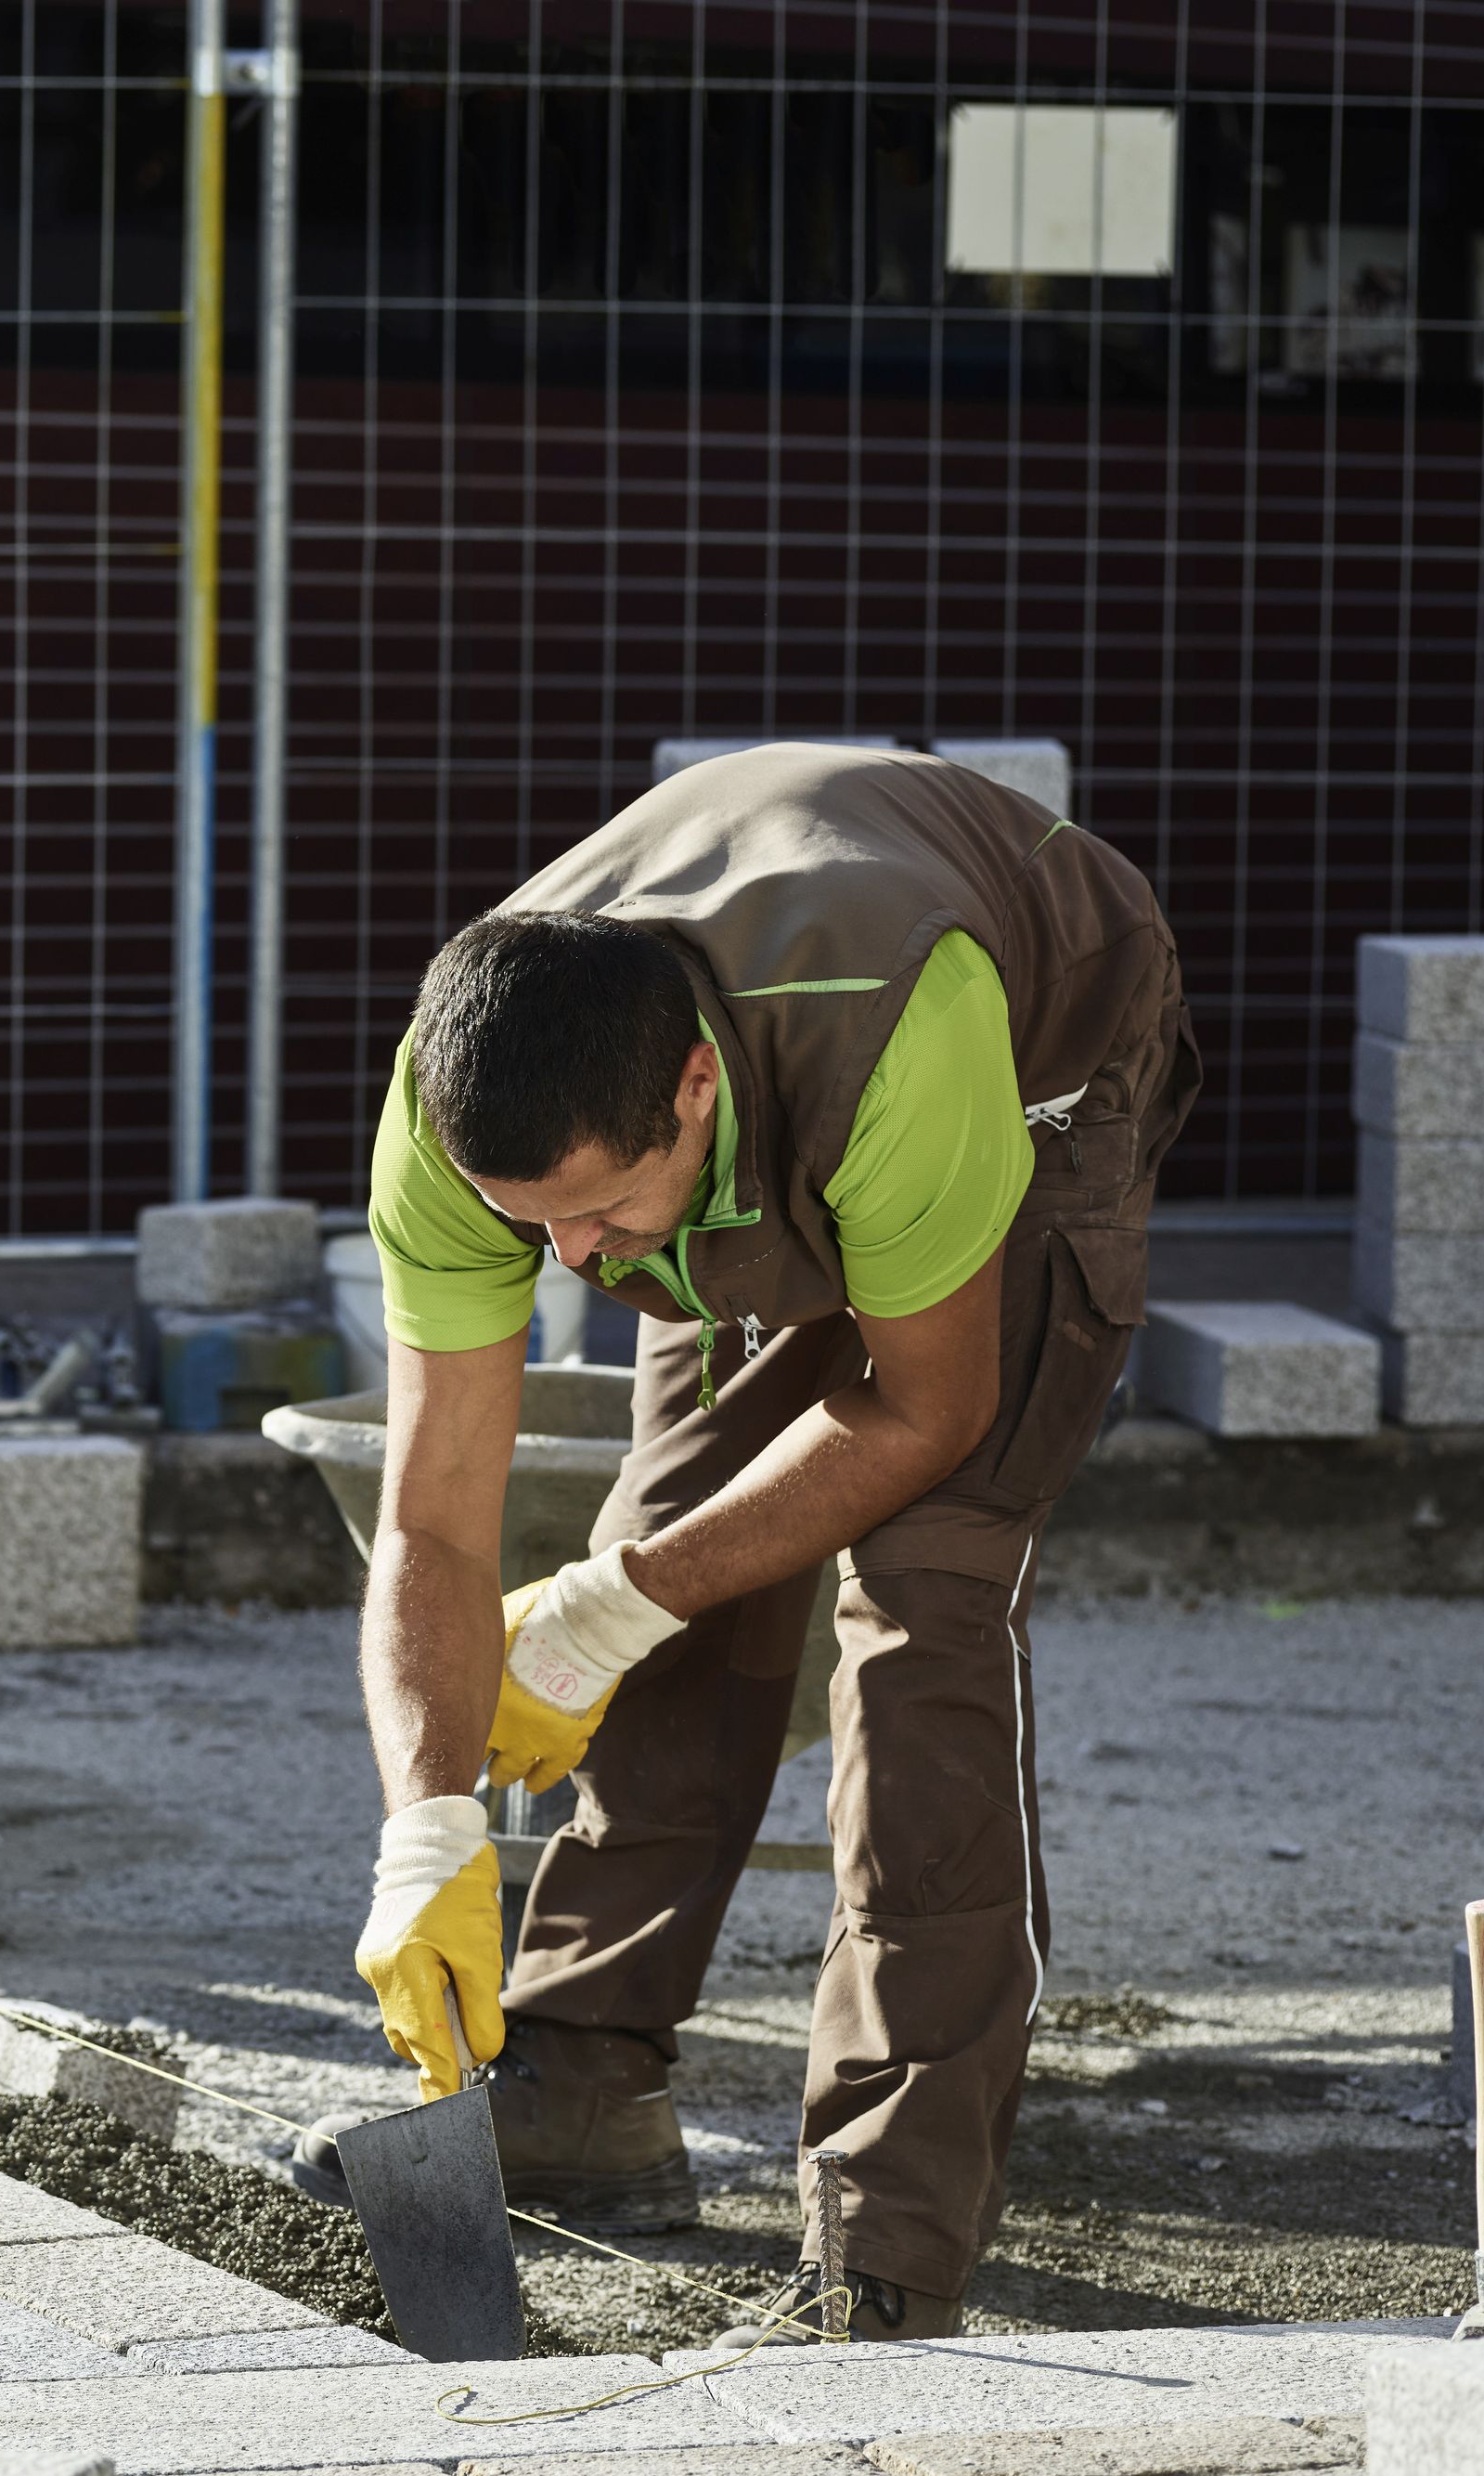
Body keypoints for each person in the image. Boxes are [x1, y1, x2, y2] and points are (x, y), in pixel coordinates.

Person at [334, 742, 1196, 2341]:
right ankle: (583, 2082)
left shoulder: (902, 1039)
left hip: (1030, 1054)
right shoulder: (461, 1128)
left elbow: (922, 1410)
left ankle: (889, 2227)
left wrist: (605, 1612)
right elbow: (434, 1519)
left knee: (925, 1603)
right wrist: (426, 1833)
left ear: (693, 1092)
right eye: (536, 1232)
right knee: (675, 1542)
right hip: (770, 1105)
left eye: (596, 1218)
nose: (573, 1263)